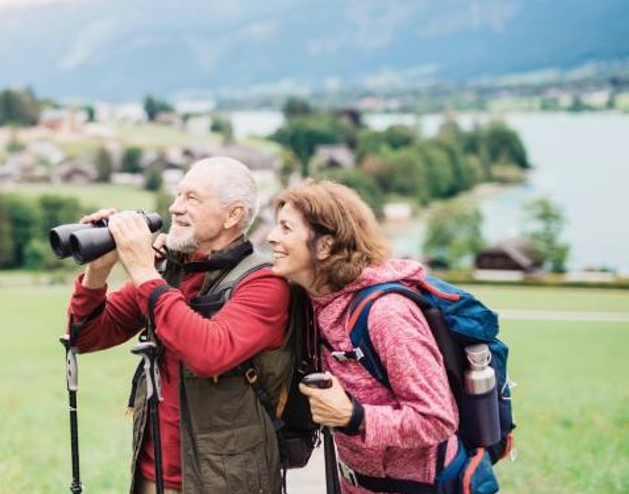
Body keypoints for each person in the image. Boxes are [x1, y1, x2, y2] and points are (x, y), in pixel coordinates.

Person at [65, 156, 293, 494]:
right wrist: (98, 271)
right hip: (151, 476)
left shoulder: (263, 283)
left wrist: (143, 270)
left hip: (226, 483)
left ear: (234, 215)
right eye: (177, 195)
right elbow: (84, 337)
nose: (174, 208)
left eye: (192, 199)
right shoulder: (170, 271)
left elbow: (209, 352)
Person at [267, 179, 460, 494]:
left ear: (326, 245)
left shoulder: (387, 315)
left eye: (286, 229)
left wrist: (354, 417)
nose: (272, 238)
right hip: (355, 483)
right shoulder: (314, 303)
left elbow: (438, 418)